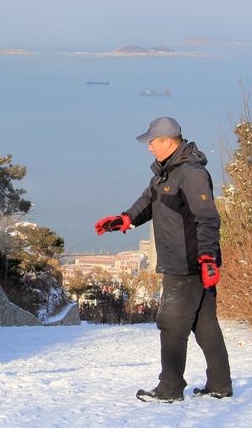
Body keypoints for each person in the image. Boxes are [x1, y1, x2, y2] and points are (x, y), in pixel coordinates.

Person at [95, 117, 232, 403]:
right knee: (205, 324)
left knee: (171, 324)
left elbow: (207, 217)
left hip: (187, 264)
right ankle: (219, 385)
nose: (149, 148)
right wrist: (124, 220)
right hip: (188, 263)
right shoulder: (165, 173)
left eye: (152, 142)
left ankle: (169, 389)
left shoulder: (191, 173)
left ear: (168, 142)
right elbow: (148, 202)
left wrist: (207, 257)